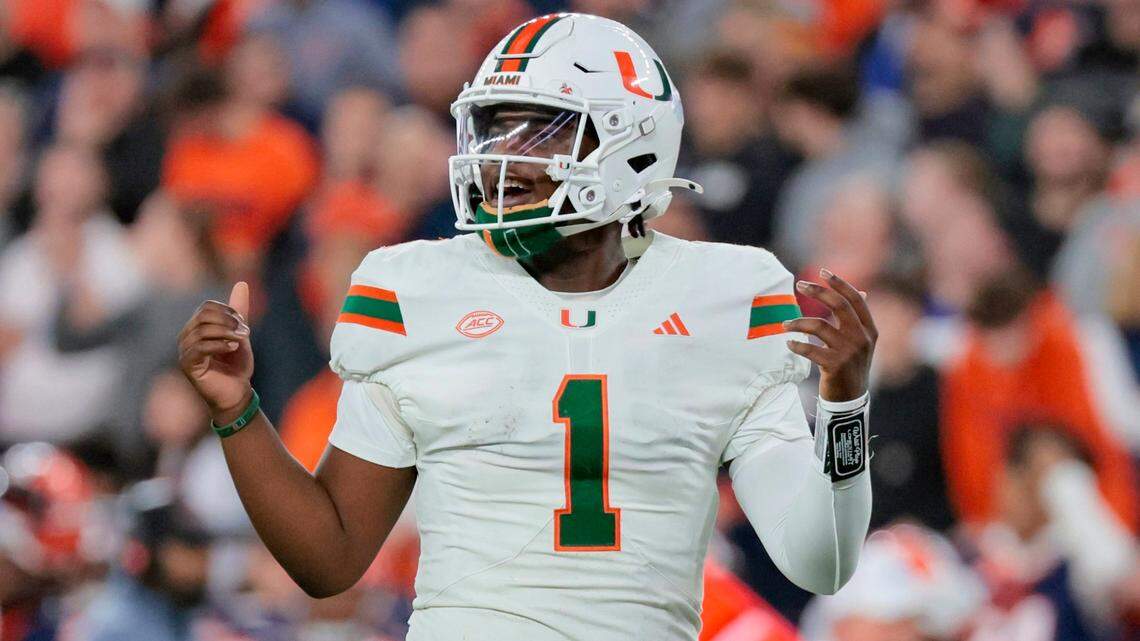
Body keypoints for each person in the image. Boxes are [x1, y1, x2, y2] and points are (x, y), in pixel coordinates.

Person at [178, 13, 877, 641]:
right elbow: (329, 557)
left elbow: (821, 558)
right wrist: (238, 412)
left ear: (629, 140)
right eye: (492, 126)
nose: (498, 154)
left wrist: (844, 402)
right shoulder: (416, 288)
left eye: (536, 128)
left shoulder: (727, 295)